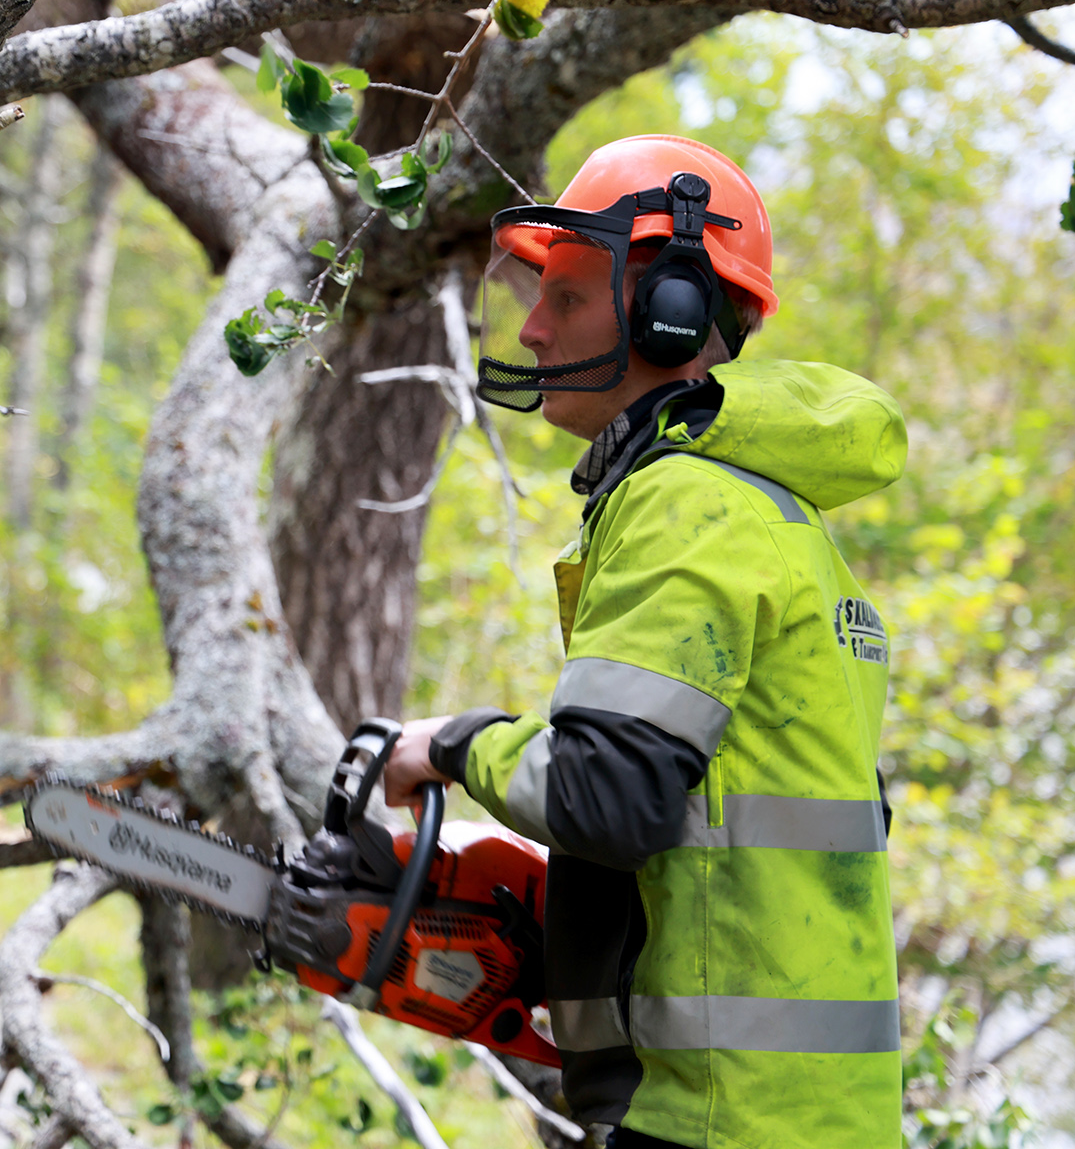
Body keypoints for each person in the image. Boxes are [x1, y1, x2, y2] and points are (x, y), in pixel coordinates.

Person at [382, 135, 908, 1149]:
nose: (532, 328)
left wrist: (450, 743)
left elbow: (605, 799)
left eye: (567, 297)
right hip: (789, 1116)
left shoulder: (687, 506)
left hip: (716, 1119)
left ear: (672, 314)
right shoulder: (771, 516)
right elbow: (713, 836)